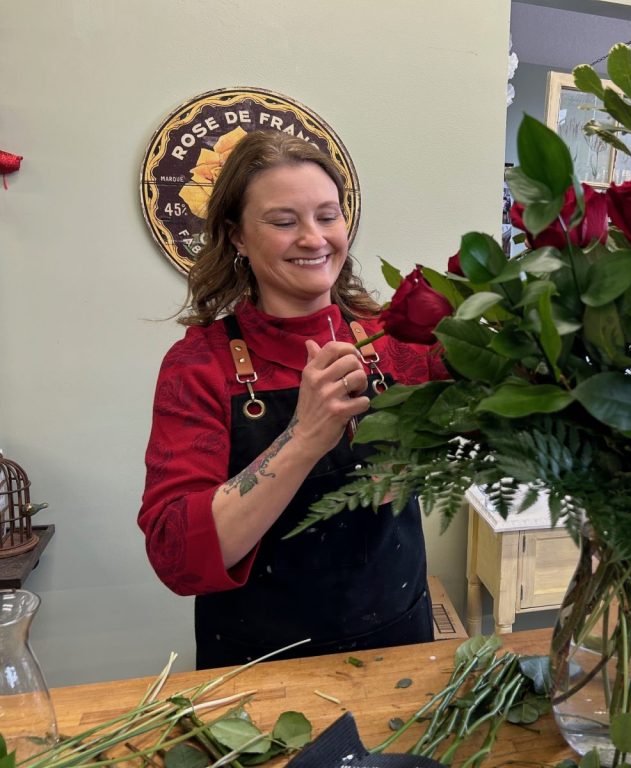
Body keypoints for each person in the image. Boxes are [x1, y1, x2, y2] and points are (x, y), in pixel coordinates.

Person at [139, 130, 447, 669]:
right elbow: (177, 558)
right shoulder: (199, 367)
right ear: (236, 236)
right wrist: (304, 436)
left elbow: (508, 398)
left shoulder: (397, 342)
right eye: (284, 222)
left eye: (327, 216)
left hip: (400, 651)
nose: (313, 238)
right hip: (260, 675)